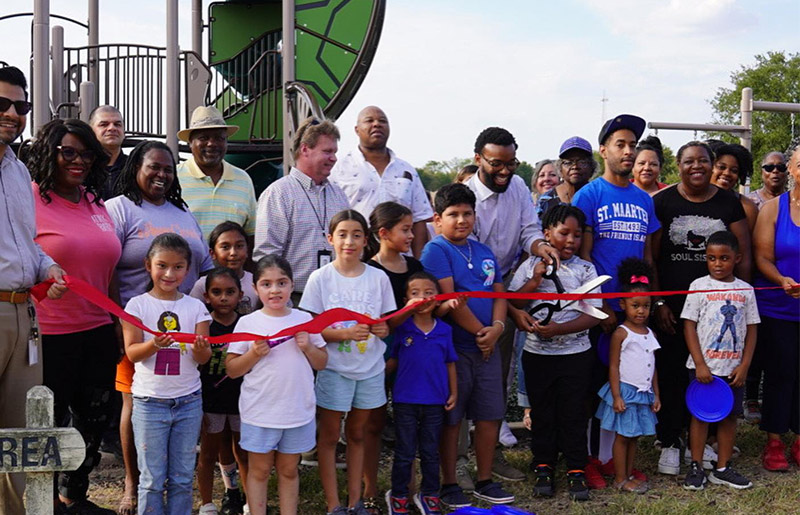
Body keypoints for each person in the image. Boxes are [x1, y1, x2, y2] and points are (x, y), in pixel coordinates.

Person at [106, 140, 213, 514]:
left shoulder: (184, 214)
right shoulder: (119, 208)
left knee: (180, 455)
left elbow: (206, 266)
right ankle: (133, 486)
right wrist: (117, 324)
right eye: (154, 166)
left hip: (184, 332)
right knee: (134, 405)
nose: (162, 174)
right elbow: (105, 265)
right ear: (136, 165)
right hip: (133, 327)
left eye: (168, 168)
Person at [27, 118, 120, 515]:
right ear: (50, 153)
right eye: (68, 152)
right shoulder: (27, 199)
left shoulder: (94, 201)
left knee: (93, 422)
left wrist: (118, 323)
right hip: (49, 334)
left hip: (98, 329)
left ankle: (73, 495)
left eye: (85, 153)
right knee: (47, 424)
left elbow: (109, 266)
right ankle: (43, 501)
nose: (78, 160)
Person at [651, 141, 751, 476]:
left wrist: (740, 300)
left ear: (712, 164)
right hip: (672, 307)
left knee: (710, 376)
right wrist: (659, 300)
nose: (698, 167)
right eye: (689, 161)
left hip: (720, 312)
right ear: (677, 165)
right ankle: (669, 440)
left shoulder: (729, 202)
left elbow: (744, 255)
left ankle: (705, 443)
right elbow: (651, 255)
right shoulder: (662, 201)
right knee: (672, 373)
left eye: (704, 161)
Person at [465, 126, 556, 481]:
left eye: (512, 163)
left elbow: (528, 231)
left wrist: (539, 247)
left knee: (495, 380)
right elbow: (475, 264)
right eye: (496, 164)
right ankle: (456, 463)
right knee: (461, 384)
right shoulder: (464, 198)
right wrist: (511, 309)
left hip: (504, 297)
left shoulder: (517, 187)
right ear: (478, 160)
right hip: (471, 299)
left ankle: (489, 456)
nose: (505, 171)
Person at [572, 114, 659, 487]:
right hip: (600, 314)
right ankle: (589, 460)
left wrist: (652, 304)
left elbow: (649, 256)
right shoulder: (589, 194)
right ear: (604, 149)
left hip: (634, 314)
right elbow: (583, 257)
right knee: (595, 386)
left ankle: (612, 458)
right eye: (620, 144)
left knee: (625, 385)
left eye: (632, 145)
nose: (628, 151)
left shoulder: (644, 199)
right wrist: (602, 307)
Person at [0, 65, 67, 515]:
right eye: (1, 103)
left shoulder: (20, 173)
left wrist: (49, 265)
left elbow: (25, 243)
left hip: (25, 315)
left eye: (20, 106)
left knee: (23, 435)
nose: (11, 113)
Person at [421, 183, 513, 508]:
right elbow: (450, 300)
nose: (461, 220)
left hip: (487, 347)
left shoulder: (484, 251)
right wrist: (481, 333)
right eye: (453, 214)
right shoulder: (436, 250)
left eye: (467, 213)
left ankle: (485, 479)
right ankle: (449, 483)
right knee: (453, 418)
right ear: (437, 219)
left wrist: (498, 328)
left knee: (489, 415)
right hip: (455, 350)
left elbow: (499, 292)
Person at [299, 210, 395, 515]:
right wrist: (342, 335)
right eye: (342, 234)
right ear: (330, 239)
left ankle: (356, 502)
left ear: (366, 241)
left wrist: (382, 329)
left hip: (370, 370)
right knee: (328, 437)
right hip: (335, 370)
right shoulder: (320, 278)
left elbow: (385, 324)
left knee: (357, 434)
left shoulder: (378, 277)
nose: (349, 241)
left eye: (356, 235)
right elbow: (311, 329)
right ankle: (334, 504)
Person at [509, 204, 603, 501]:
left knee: (574, 413)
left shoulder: (586, 270)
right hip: (537, 356)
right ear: (546, 234)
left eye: (576, 235)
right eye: (564, 233)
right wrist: (535, 279)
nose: (571, 241)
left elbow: (594, 314)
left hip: (576, 356)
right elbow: (513, 303)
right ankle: (543, 466)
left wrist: (560, 330)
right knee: (542, 413)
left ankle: (576, 469)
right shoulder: (529, 266)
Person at [226, 255, 328, 515]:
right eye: (267, 284)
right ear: (256, 288)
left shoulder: (304, 319)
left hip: (296, 411)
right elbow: (233, 369)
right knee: (259, 471)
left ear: (292, 284)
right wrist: (253, 354)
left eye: (281, 283)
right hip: (260, 412)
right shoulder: (247, 323)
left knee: (289, 469)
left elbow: (322, 363)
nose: (275, 290)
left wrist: (307, 347)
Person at [120, 233, 212, 514]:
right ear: (148, 265)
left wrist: (198, 349)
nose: (169, 274)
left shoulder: (195, 307)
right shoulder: (137, 305)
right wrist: (153, 344)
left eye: (178, 267)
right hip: (150, 403)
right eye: (162, 265)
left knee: (183, 477)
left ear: (188, 269)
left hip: (188, 401)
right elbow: (132, 353)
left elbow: (204, 357)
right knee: (151, 479)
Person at [681, 231, 759, 490]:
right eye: (711, 258)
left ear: (737, 258)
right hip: (704, 368)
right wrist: (700, 363)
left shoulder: (746, 290)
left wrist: (745, 364)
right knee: (700, 416)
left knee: (729, 417)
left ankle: (723, 467)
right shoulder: (698, 286)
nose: (717, 264)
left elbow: (751, 329)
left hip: (733, 368)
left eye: (724, 258)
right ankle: (696, 465)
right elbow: (689, 326)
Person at [254, 117, 349, 306]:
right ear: (305, 149)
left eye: (335, 152)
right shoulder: (278, 194)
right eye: (327, 151)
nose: (334, 158)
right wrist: (284, 306)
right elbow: (267, 256)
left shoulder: (339, 195)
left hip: (336, 300)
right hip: (295, 300)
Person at [385, 272, 458, 515]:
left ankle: (429, 495)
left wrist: (453, 393)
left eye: (428, 292)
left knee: (429, 452)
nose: (422, 298)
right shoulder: (402, 328)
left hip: (435, 402)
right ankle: (398, 496)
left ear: (438, 299)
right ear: (405, 299)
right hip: (405, 400)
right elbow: (392, 360)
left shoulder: (445, 331)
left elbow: (450, 363)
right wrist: (376, 377)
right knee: (405, 452)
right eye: (415, 293)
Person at [753, 138, 800, 471]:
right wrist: (781, 280)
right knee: (781, 372)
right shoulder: (773, 208)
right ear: (792, 171)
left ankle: (799, 440)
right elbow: (762, 257)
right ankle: (774, 440)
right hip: (778, 306)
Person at [330, 106, 432, 257]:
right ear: (357, 130)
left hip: (401, 262)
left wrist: (418, 264)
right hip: (356, 259)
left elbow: (419, 219)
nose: (377, 124)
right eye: (369, 120)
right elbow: (331, 220)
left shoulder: (406, 170)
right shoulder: (339, 169)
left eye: (382, 121)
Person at [595, 258, 660, 494]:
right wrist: (616, 395)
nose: (641, 310)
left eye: (646, 305)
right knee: (622, 437)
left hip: (643, 393)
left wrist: (656, 394)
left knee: (634, 437)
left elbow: (652, 364)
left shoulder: (649, 333)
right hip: (625, 391)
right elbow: (613, 367)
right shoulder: (621, 333)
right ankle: (620, 478)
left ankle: (629, 474)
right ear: (623, 305)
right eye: (635, 305)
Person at [196, 267, 248, 515]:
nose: (224, 298)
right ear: (207, 296)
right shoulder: (203, 326)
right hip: (211, 402)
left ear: (241, 294)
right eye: (217, 292)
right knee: (209, 452)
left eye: (230, 292)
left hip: (242, 401)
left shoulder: (247, 325)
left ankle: (248, 501)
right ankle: (207, 503)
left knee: (243, 452)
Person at [177, 105, 257, 245]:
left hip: (229, 267)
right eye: (203, 138)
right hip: (187, 266)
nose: (211, 144)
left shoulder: (243, 180)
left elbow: (251, 235)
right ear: (190, 143)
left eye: (219, 138)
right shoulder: (174, 178)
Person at [190, 221, 258, 314]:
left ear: (247, 250)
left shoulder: (255, 282)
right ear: (212, 253)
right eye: (225, 247)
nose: (233, 253)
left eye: (239, 246)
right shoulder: (202, 285)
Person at [537, 137, 595, 218]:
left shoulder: (599, 197)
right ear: (560, 169)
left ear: (592, 167)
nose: (575, 166)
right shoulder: (546, 200)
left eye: (582, 162)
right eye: (568, 163)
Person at [710, 143, 758, 231]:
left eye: (734, 170)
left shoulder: (747, 208)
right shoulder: (691, 198)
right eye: (722, 167)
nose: (727, 173)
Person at [88, 105, 127, 199]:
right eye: (104, 124)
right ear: (90, 131)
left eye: (117, 124)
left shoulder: (136, 168)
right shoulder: (83, 167)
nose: (112, 128)